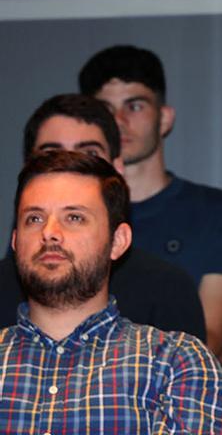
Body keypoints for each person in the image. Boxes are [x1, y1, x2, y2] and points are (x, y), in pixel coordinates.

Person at [0, 150, 222, 433]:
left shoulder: (174, 361)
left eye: (74, 217)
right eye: (34, 219)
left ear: (118, 241)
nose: (49, 232)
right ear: (15, 241)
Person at [79, 44, 222, 369]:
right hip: (82, 394)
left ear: (165, 118)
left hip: (188, 388)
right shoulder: (60, 216)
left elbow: (211, 343)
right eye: (105, 109)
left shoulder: (217, 212)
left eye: (134, 105)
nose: (118, 121)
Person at [0, 93, 207, 339]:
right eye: (50, 156)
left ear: (118, 168)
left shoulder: (168, 292)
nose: (67, 168)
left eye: (89, 154)